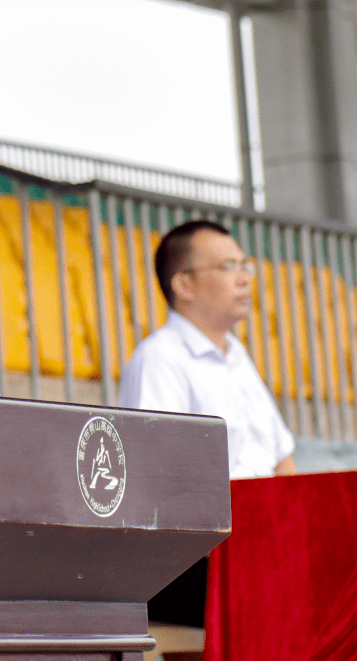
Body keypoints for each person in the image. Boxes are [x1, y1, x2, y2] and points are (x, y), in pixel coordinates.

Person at [119, 219, 296, 629]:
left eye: (245, 265)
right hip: (200, 557)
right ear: (184, 285)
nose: (244, 279)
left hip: (259, 542)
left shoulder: (237, 355)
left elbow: (282, 460)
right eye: (228, 267)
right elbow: (158, 485)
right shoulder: (160, 360)